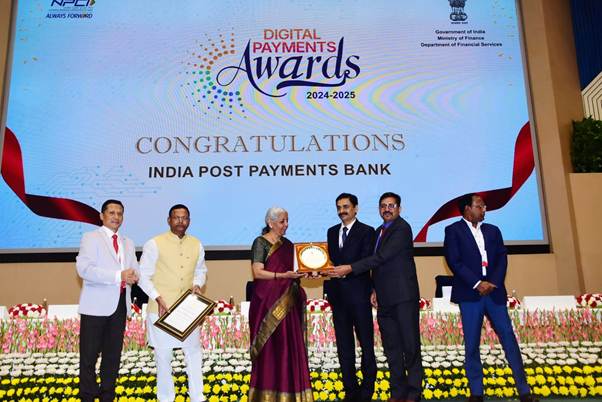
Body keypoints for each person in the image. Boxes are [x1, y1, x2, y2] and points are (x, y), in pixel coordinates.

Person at [443, 193, 538, 402]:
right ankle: (476, 393)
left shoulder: (493, 230)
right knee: (472, 343)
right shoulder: (453, 230)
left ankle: (524, 391)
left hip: (494, 293)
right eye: (480, 205)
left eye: (484, 206)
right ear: (467, 209)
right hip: (470, 294)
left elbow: (502, 258)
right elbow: (454, 261)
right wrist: (477, 283)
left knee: (509, 338)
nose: (484, 209)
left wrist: (493, 282)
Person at [330, 192, 422, 402]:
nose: (386, 209)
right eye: (383, 206)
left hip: (403, 296)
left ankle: (413, 393)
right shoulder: (380, 231)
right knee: (392, 349)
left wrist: (350, 268)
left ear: (399, 208)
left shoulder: (402, 228)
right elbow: (377, 268)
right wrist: (374, 289)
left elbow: (381, 258)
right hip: (384, 299)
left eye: (391, 205)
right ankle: (398, 393)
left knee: (410, 346)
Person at [138, 204, 208, 402]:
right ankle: (166, 398)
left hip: (187, 310)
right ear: (169, 220)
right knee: (163, 357)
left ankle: (197, 397)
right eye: (176, 217)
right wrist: (157, 297)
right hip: (162, 309)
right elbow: (143, 276)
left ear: (189, 221)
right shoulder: (154, 243)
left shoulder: (197, 244)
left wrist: (197, 285)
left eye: (184, 218)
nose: (180, 221)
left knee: (193, 354)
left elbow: (201, 271)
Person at [76, 199, 139, 402]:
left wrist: (135, 276)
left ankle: (107, 396)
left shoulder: (128, 242)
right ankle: (87, 396)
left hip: (120, 305)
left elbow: (134, 270)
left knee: (112, 357)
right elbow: (84, 269)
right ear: (102, 216)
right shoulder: (91, 238)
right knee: (89, 357)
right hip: (95, 307)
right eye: (111, 212)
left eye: (119, 213)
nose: (116, 217)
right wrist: (119, 276)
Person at [248, 207, 313, 402]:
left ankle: (290, 392)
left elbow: (296, 270)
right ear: (270, 223)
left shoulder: (288, 245)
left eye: (287, 221)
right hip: (267, 303)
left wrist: (310, 271)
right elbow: (257, 272)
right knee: (270, 350)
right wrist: (282, 275)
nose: (286, 225)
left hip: (288, 303)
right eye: (282, 221)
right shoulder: (260, 243)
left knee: (288, 347)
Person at [326, 193, 376, 402]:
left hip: (360, 296)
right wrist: (317, 269)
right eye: (339, 207)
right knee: (344, 347)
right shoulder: (331, 232)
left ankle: (367, 390)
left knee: (366, 345)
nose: (342, 211)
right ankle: (351, 390)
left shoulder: (367, 231)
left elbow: (368, 260)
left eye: (346, 206)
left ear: (356, 208)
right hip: (338, 298)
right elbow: (329, 261)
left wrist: (348, 269)